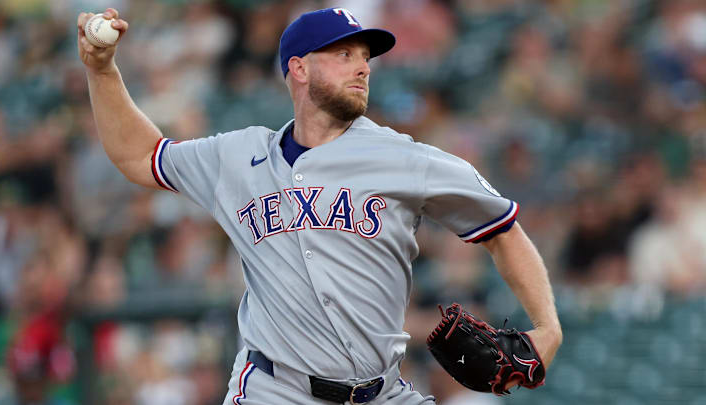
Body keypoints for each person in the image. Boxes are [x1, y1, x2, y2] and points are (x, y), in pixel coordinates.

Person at [76, 7, 562, 405]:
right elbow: (142, 155)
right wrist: (102, 71)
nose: (363, 66)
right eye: (344, 53)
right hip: (273, 391)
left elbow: (503, 229)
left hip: (383, 393)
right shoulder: (236, 157)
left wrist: (547, 327)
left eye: (365, 56)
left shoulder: (404, 158)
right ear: (300, 68)